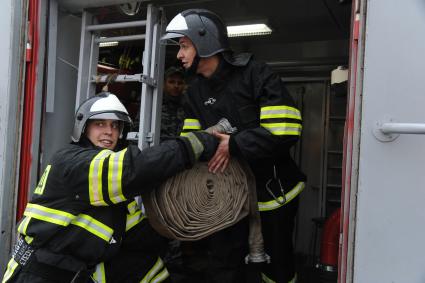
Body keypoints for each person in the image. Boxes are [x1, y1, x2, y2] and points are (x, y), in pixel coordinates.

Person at [2, 92, 218, 283]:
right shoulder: (74, 162)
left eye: (115, 126)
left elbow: (140, 236)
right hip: (35, 275)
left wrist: (192, 220)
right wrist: (194, 144)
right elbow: (134, 170)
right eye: (100, 124)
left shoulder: (113, 192)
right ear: (83, 127)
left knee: (149, 267)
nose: (109, 131)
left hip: (71, 272)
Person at [161, 9, 306, 283]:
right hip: (227, 197)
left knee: (277, 266)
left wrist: (235, 144)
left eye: (183, 45)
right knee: (223, 263)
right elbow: (193, 143)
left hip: (273, 192)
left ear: (204, 41)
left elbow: (286, 130)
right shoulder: (194, 93)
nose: (179, 55)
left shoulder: (256, 74)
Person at [160, 66, 186, 141]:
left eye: (180, 83)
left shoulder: (189, 106)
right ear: (164, 83)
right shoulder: (154, 105)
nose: (176, 86)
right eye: (171, 82)